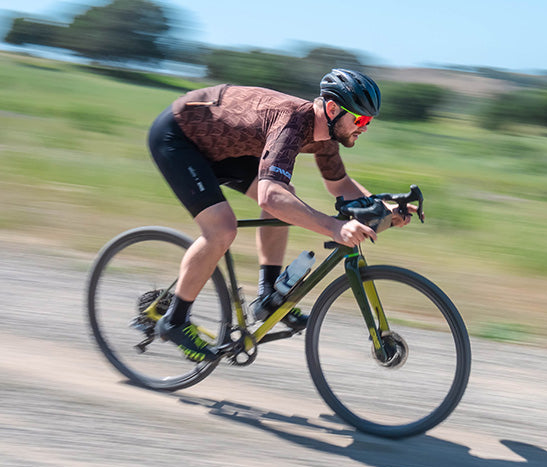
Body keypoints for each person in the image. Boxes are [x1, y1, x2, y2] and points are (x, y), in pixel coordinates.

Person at [146, 68, 411, 362]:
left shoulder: (327, 136)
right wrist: (335, 228)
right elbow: (270, 197)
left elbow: (339, 184)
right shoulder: (292, 122)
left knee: (287, 195)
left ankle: (268, 296)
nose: (364, 127)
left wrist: (383, 208)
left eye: (369, 121)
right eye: (359, 119)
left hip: (224, 149)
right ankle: (174, 321)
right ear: (333, 109)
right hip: (180, 138)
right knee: (223, 228)